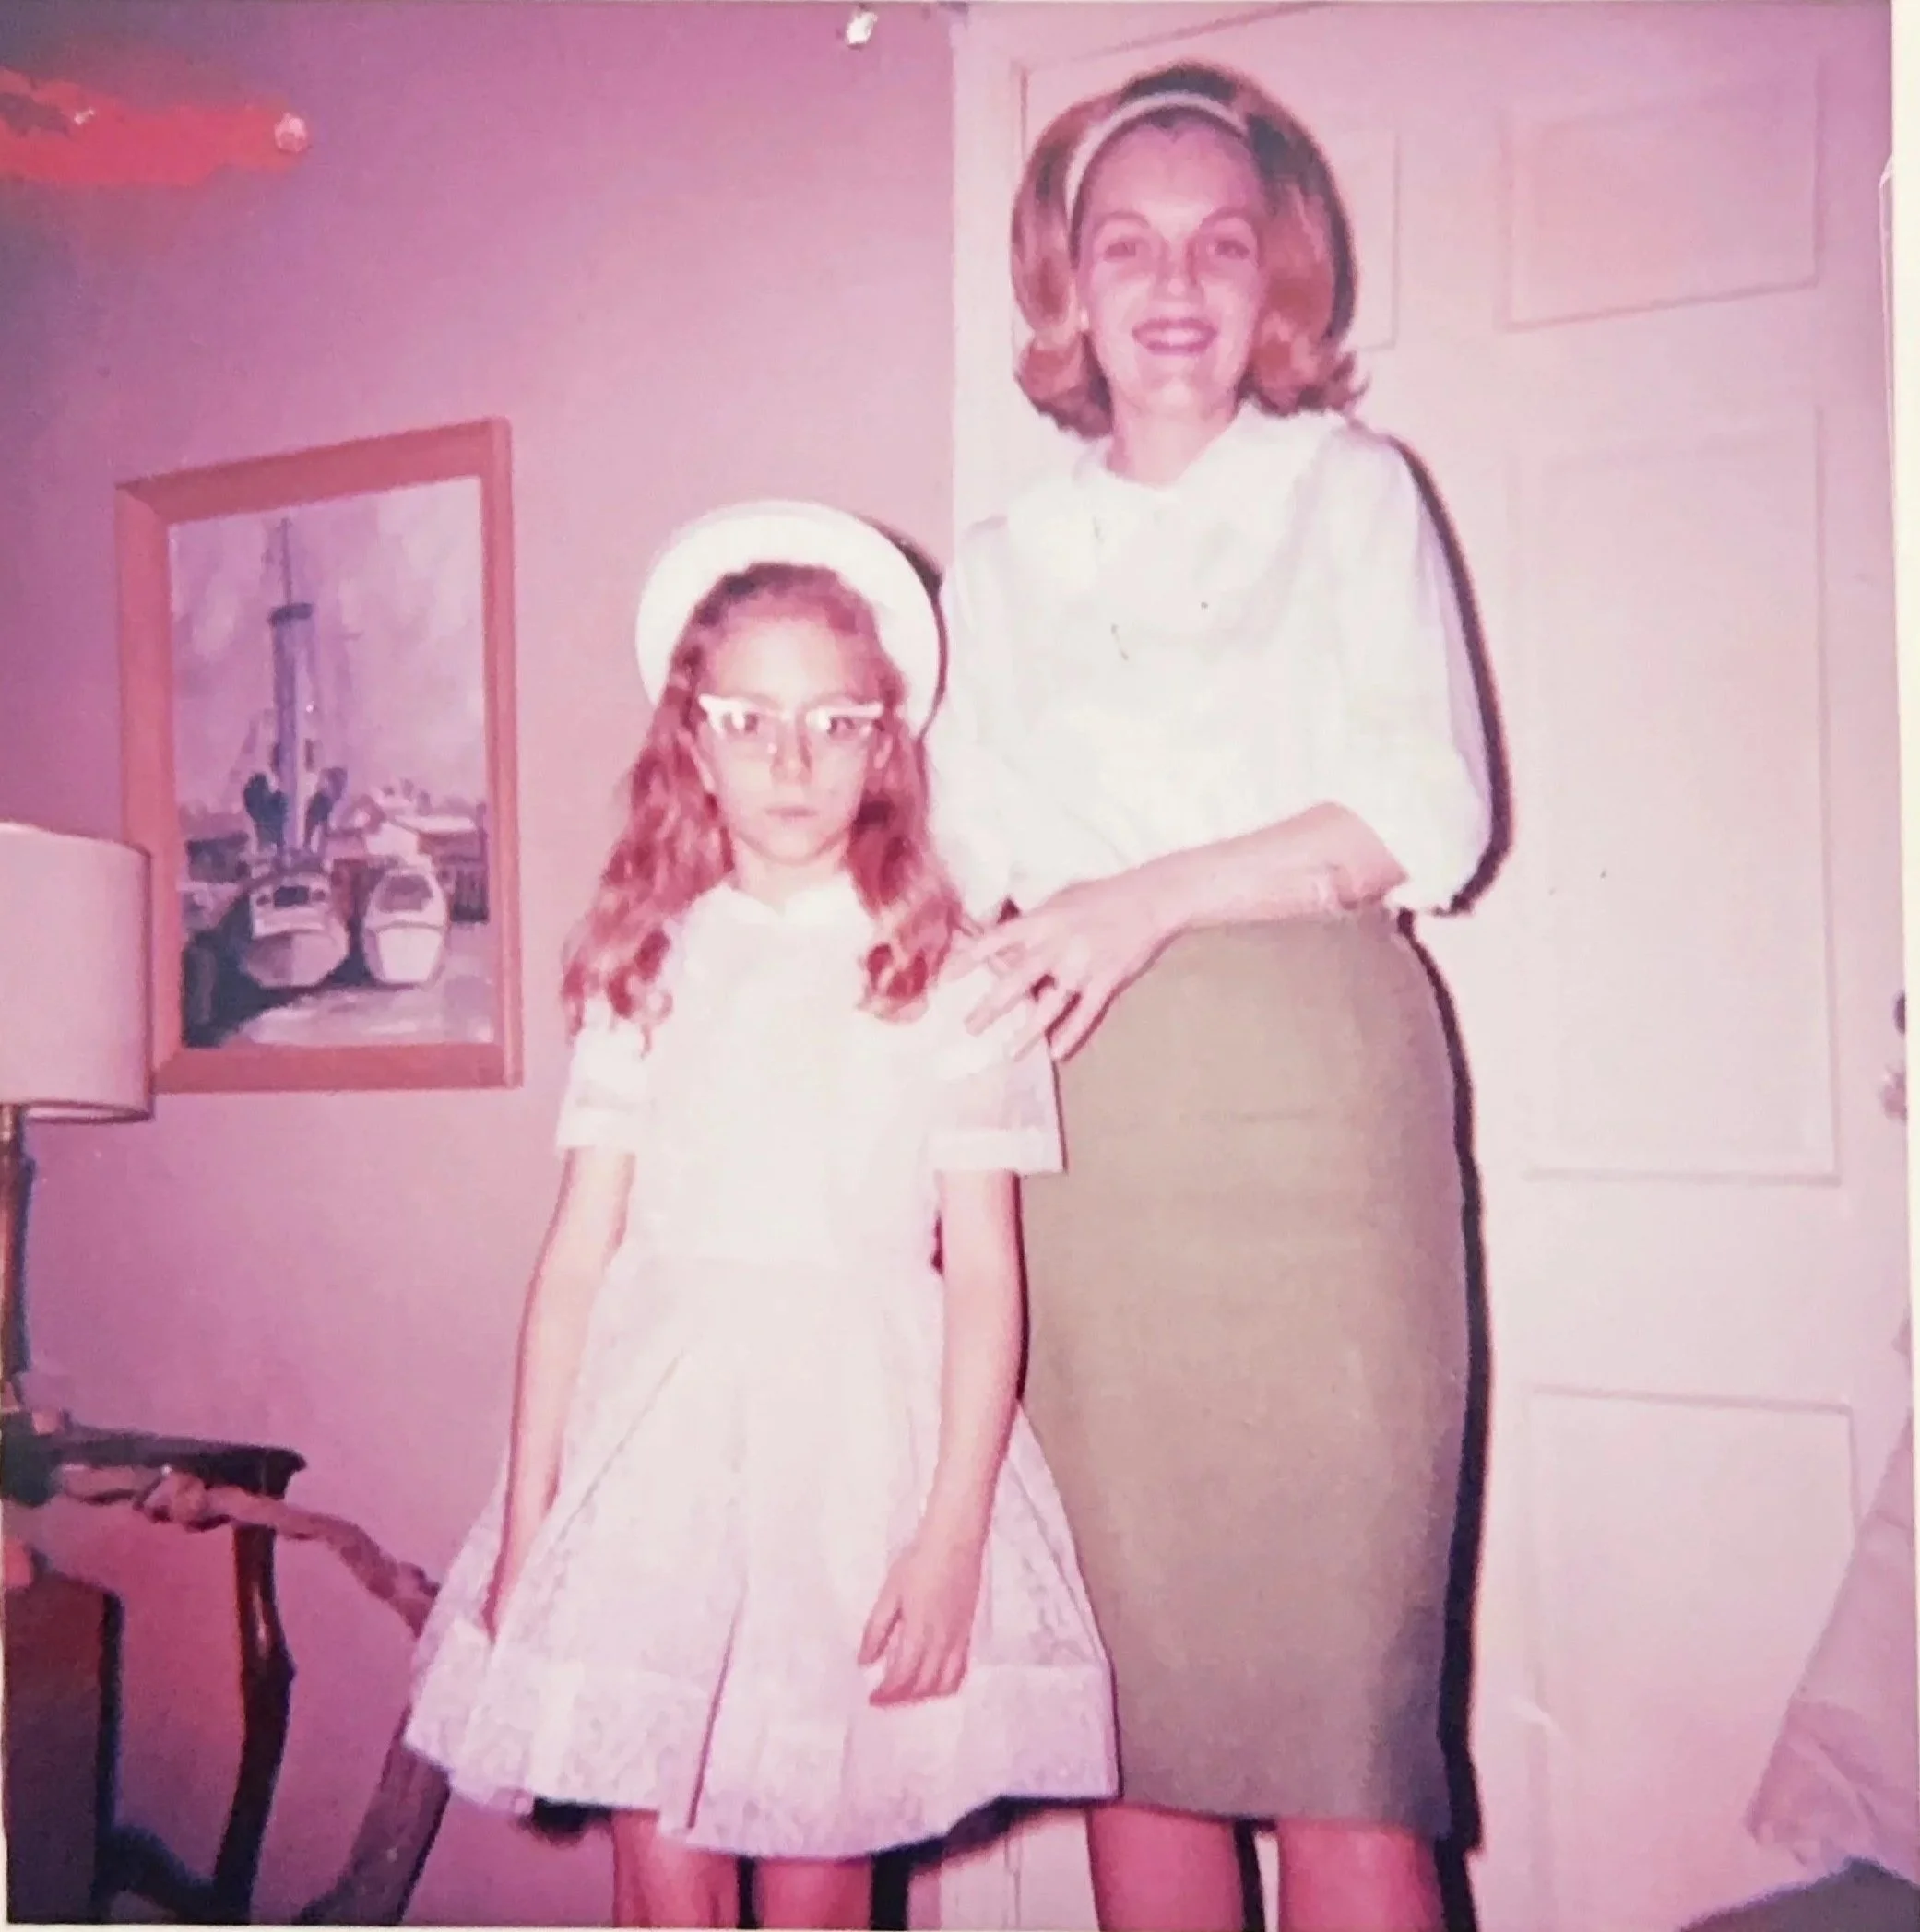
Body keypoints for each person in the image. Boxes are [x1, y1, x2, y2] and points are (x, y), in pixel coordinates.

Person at [926, 59, 1496, 1932]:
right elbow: (964, 880)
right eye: (1128, 246)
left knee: (1343, 1745)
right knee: (1138, 1733)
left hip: (1321, 1136)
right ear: (1067, 289)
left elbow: (1432, 810)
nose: (1175, 286)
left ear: (1278, 289)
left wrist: (1146, 897)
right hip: (1092, 1153)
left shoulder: (1348, 491)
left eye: (1221, 246)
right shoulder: (998, 570)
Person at [406, 501, 1117, 1930]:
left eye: (833, 720)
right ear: (692, 740)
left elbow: (982, 1277)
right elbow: (574, 1258)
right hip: (657, 1452)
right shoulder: (644, 960)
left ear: (885, 741)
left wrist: (952, 1531)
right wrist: (537, 1500)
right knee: (658, 1871)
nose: (790, 758)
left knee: (822, 1860)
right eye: (747, 718)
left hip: (860, 1463)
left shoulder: (953, 972)